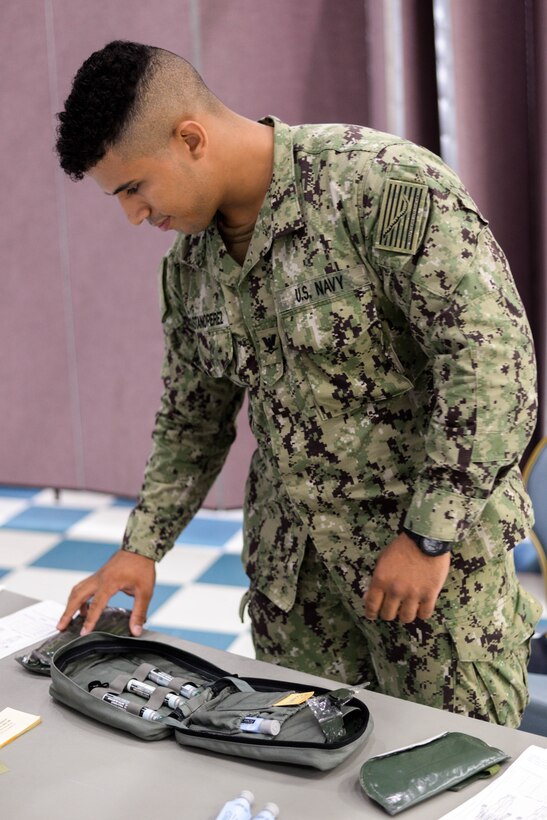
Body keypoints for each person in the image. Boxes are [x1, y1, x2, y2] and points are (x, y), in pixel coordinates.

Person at [55, 40, 541, 726]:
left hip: (428, 581)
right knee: (303, 771)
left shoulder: (378, 185)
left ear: (190, 138)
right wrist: (141, 546)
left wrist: (430, 533)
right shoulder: (191, 267)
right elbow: (191, 421)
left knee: (456, 776)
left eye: (134, 188)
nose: (134, 215)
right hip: (299, 592)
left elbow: (493, 366)